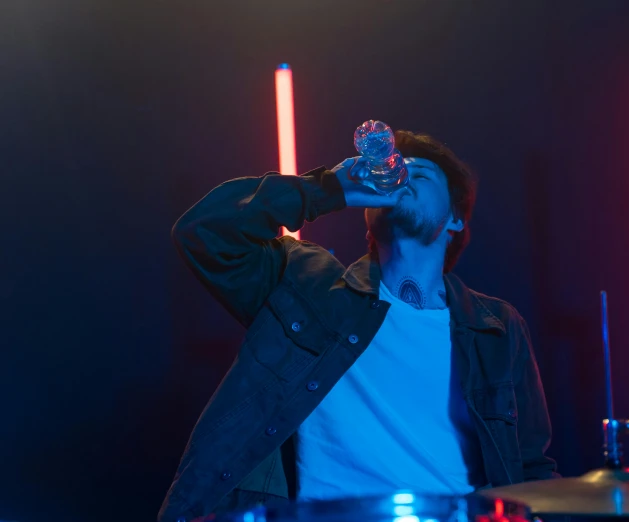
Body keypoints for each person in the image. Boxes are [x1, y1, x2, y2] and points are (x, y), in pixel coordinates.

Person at [159, 130, 558, 522]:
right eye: (397, 173)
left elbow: (529, 468)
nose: (402, 179)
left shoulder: (496, 328)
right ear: (368, 220)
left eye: (420, 176)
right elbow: (204, 231)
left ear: (455, 219)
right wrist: (330, 189)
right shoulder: (306, 283)